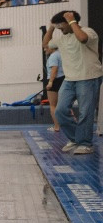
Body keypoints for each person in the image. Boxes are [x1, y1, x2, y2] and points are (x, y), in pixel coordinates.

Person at [43, 10, 103, 155]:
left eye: (61, 26)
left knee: (85, 112)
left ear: (71, 22)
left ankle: (85, 143)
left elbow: (82, 39)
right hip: (69, 80)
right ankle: (76, 139)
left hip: (88, 77)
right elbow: (45, 45)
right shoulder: (63, 38)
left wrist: (71, 21)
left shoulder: (89, 32)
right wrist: (51, 27)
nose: (60, 29)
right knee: (60, 111)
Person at [44, 46, 64, 131]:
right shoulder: (60, 54)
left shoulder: (53, 56)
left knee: (52, 105)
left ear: (52, 47)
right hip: (62, 79)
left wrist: (50, 82)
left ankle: (56, 126)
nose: (45, 50)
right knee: (65, 104)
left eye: (46, 48)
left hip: (54, 80)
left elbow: (54, 69)